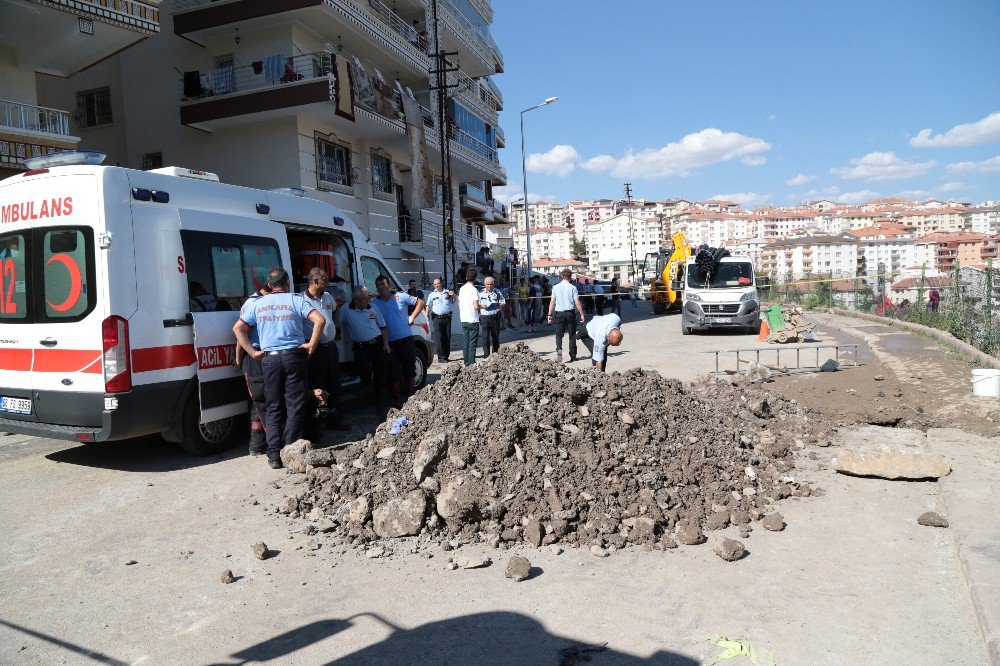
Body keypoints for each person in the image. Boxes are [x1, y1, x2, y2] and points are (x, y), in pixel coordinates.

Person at [234, 268, 325, 469]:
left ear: (269, 285)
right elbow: (320, 320)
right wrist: (312, 345)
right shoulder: (296, 300)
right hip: (294, 357)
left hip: (270, 359)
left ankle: (274, 454)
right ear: (287, 282)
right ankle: (290, 451)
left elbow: (238, 328)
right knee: (294, 405)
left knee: (273, 406)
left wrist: (252, 352)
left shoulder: (257, 304)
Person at [300, 267, 346, 434]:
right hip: (315, 349)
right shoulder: (302, 299)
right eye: (325, 280)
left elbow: (335, 309)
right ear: (315, 281)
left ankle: (335, 419)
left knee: (334, 383)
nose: (328, 283)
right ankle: (314, 424)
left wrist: (333, 325)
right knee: (316, 385)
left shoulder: (327, 296)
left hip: (330, 347)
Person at [372, 275, 425, 402]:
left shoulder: (401, 296)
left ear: (389, 285)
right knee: (393, 372)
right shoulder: (374, 303)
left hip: (406, 339)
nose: (381, 287)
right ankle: (397, 399)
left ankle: (411, 397)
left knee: (409, 370)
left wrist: (412, 317)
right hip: (389, 343)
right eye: (378, 285)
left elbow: (421, 302)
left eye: (383, 284)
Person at [235, 282, 271, 456]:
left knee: (259, 402)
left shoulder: (263, 301)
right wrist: (239, 358)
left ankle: (258, 445)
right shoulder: (253, 303)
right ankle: (262, 445)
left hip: (263, 357)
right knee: (260, 400)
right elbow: (241, 333)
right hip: (256, 358)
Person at [341, 286, 391, 413]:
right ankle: (368, 396)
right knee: (364, 371)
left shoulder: (373, 307)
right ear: (355, 300)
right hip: (360, 347)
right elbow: (336, 324)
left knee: (380, 372)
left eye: (367, 297)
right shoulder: (346, 309)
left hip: (376, 343)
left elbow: (383, 327)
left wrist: (386, 344)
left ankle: (381, 404)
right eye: (363, 298)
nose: (367, 300)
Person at [547, 268, 586, 363]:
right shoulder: (573, 288)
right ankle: (573, 355)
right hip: (570, 313)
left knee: (559, 335)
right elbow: (577, 302)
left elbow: (552, 302)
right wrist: (582, 314)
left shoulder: (555, 287)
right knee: (572, 335)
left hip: (559, 313)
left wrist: (549, 314)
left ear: (561, 276)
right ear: (570, 277)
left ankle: (559, 353)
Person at [425, 277, 455, 363]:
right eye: (435, 284)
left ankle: (446, 355)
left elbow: (453, 302)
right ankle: (441, 357)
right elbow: (428, 306)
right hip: (437, 319)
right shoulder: (432, 295)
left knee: (447, 337)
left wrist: (453, 295)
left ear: (441, 283)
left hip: (447, 318)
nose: (436, 285)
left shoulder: (447, 292)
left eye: (438, 283)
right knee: (439, 338)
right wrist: (426, 316)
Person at [478, 275, 506, 359]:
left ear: (493, 284)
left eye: (491, 284)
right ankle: (486, 354)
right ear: (484, 284)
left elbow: (503, 302)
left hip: (495, 316)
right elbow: (476, 305)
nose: (489, 286)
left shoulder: (497, 292)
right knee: (485, 337)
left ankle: (495, 354)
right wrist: (481, 306)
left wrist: (498, 306)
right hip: (485, 317)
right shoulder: (480, 293)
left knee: (495, 336)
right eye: (487, 284)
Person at [458, 268, 480, 365]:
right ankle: (471, 363)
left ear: (466, 277)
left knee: (465, 342)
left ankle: (466, 362)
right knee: (472, 343)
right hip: (473, 319)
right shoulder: (474, 290)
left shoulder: (461, 289)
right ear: (475, 279)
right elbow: (475, 306)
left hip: (464, 318)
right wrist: (482, 306)